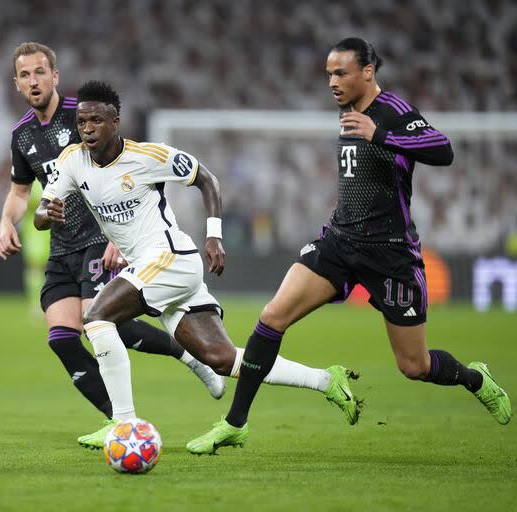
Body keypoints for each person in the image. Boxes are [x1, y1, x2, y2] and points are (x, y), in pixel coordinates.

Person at [188, 37, 512, 455]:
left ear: (368, 72)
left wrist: (382, 135)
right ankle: (235, 423)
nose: (332, 82)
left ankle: (475, 379)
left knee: (414, 366)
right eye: (329, 74)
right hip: (340, 243)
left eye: (341, 73)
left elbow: (443, 150)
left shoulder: (393, 111)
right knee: (272, 317)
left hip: (390, 253)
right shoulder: (346, 110)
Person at [37, 80, 362, 448]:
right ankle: (326, 380)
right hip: (154, 269)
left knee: (96, 318)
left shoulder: (148, 157)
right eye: (82, 122)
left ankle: (123, 425)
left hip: (170, 258)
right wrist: (47, 211)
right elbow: (41, 212)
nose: (88, 129)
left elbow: (207, 179)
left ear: (116, 121)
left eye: (97, 120)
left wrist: (214, 235)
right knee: (221, 359)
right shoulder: (72, 160)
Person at [0, 43, 225, 446]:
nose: (33, 81)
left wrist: (118, 239)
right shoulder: (22, 136)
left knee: (98, 319)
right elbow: (20, 192)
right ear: (16, 84)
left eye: (39, 72)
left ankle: (165, 377)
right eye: (25, 75)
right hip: (61, 246)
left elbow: (124, 167)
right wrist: (5, 222)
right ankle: (119, 415)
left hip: (99, 242)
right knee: (62, 338)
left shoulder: (83, 113)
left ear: (55, 76)